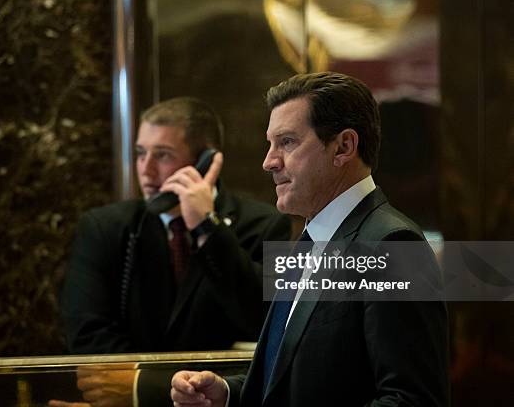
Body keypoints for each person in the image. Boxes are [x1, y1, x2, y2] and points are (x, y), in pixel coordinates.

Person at [171, 73, 449, 406]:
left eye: (287, 142)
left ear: (343, 146)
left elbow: (411, 399)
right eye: (270, 143)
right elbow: (300, 374)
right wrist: (229, 393)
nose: (269, 161)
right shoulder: (311, 239)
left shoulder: (391, 244)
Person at [54, 97, 291, 406]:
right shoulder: (104, 227)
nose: (146, 170)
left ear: (206, 161)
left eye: (162, 155)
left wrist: (207, 228)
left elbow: (269, 326)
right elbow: (88, 337)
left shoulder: (265, 224)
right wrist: (163, 388)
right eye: (140, 154)